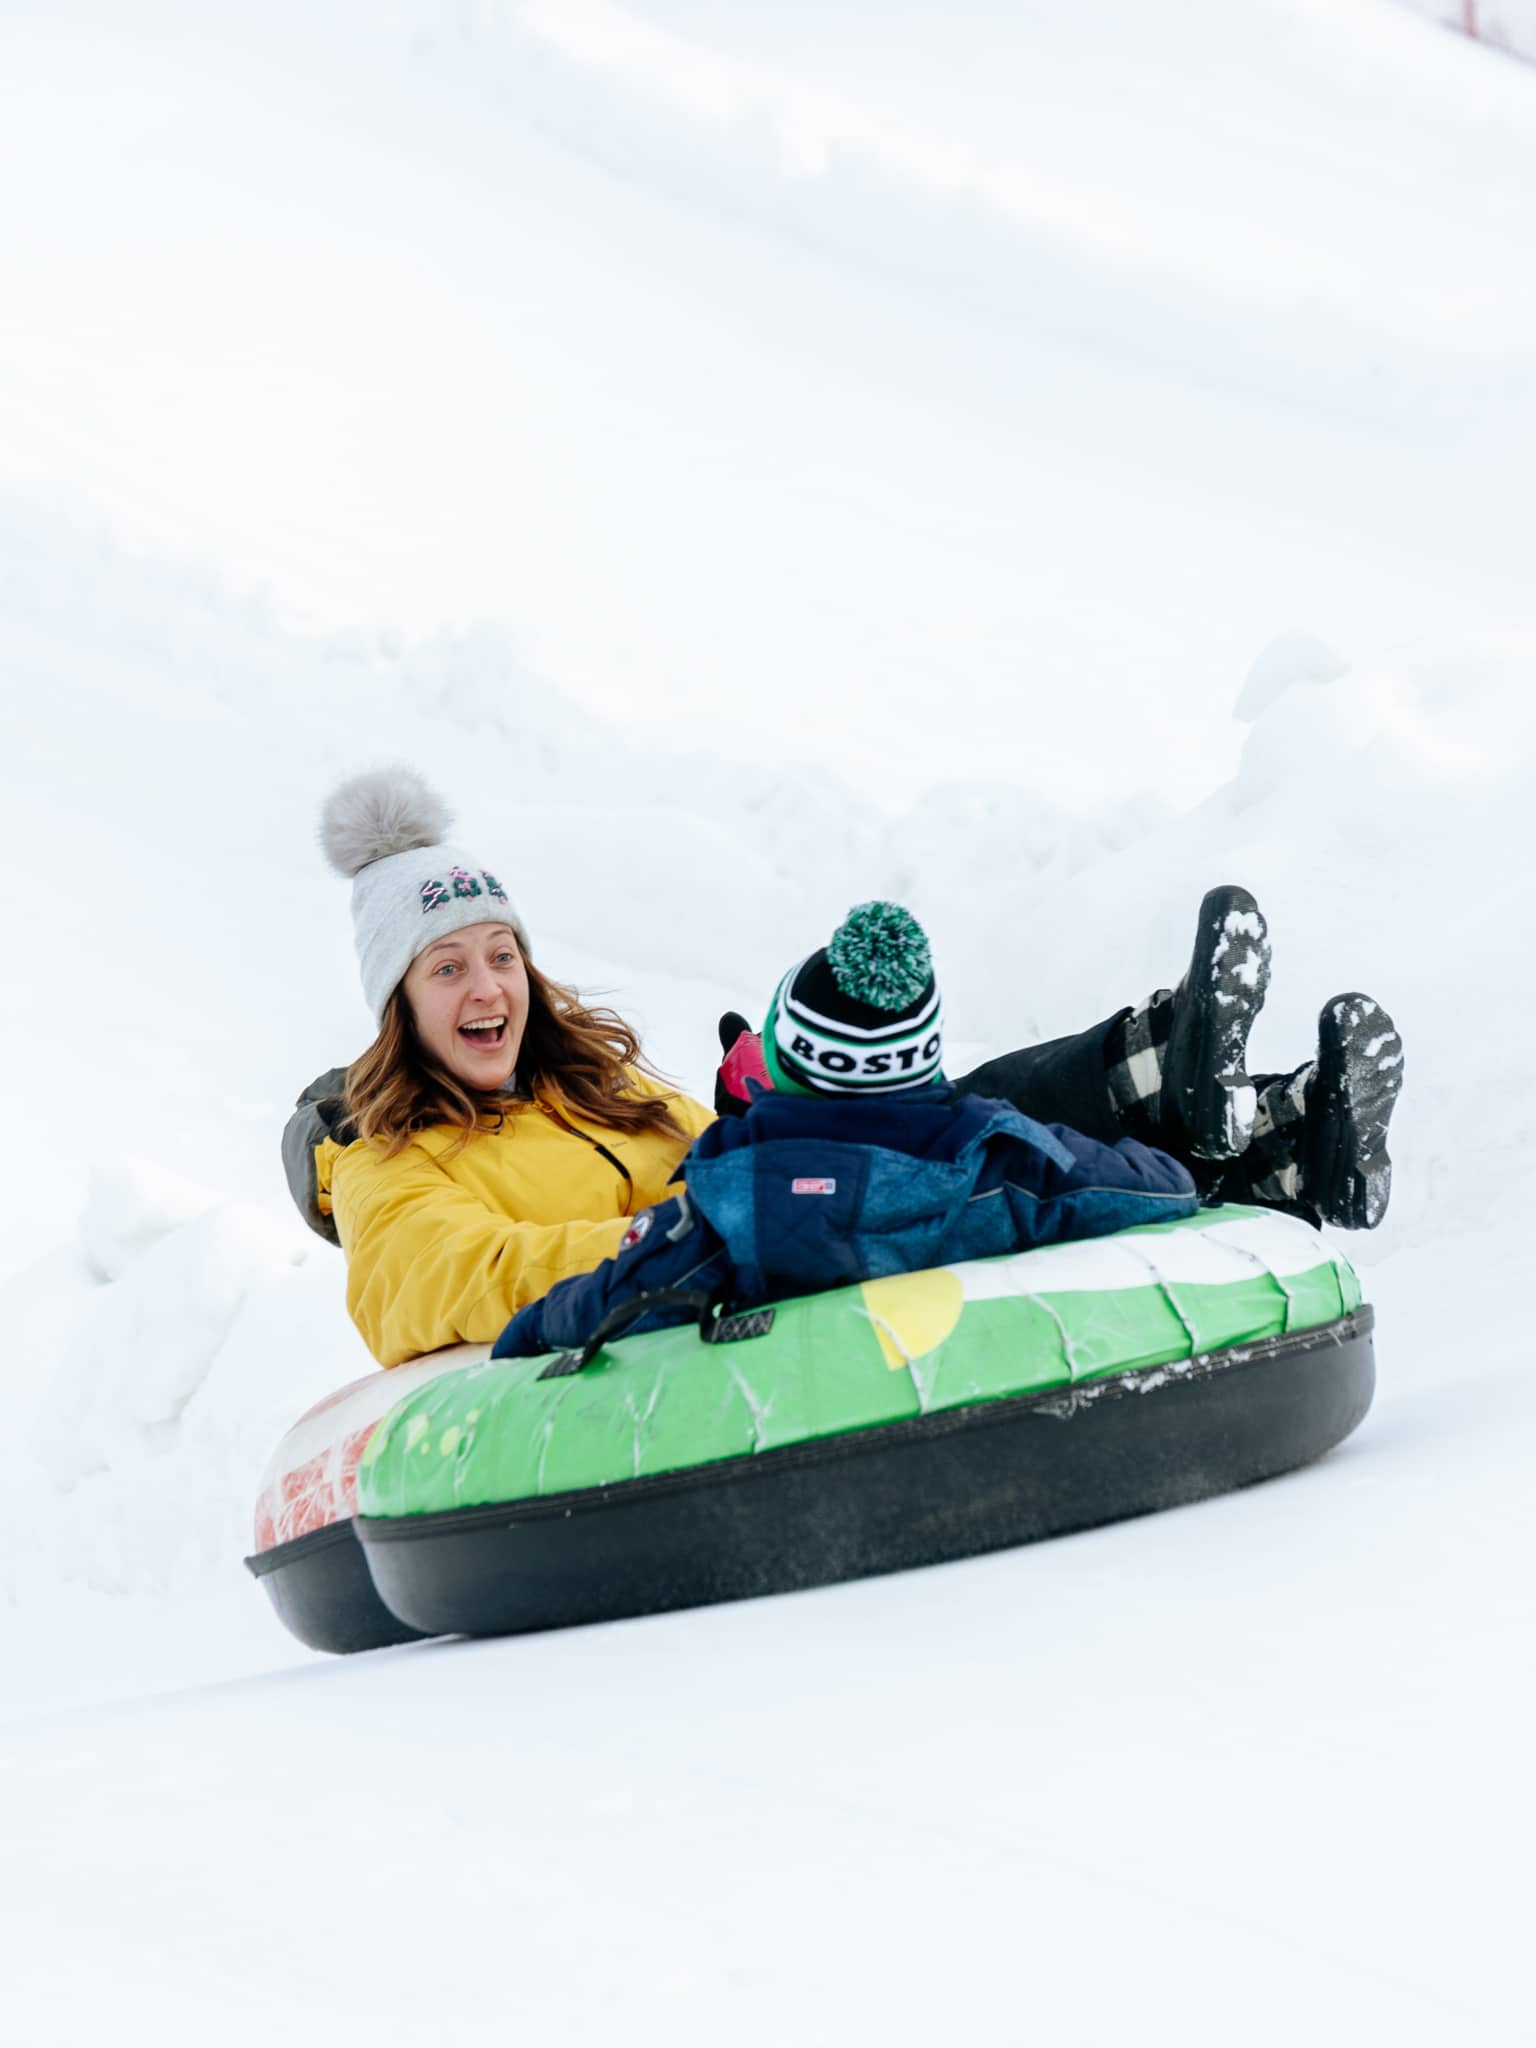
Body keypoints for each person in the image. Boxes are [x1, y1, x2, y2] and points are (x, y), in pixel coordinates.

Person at [285, 770, 1403, 1370]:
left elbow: (711, 1152)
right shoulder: (386, 1167)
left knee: (943, 1112)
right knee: (955, 1148)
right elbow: (456, 1280)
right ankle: (1169, 1084)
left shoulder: (594, 1091)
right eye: (448, 968)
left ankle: (1256, 1124)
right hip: (716, 1276)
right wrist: (692, 1231)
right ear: (398, 1002)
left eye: (501, 956)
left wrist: (752, 1097)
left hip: (766, 1233)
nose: (489, 989)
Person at [490, 901, 1198, 1361]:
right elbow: (1157, 1189)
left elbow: (612, 1300)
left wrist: (528, 1331)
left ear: (785, 1061)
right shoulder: (1010, 1163)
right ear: (924, 1059)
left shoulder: (727, 1205)